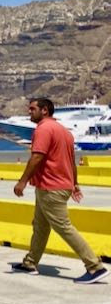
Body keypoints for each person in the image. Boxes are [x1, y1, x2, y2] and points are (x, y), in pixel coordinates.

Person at [11, 98, 108, 284]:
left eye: (32, 109)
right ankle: (30, 263)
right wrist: (75, 183)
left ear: (45, 110)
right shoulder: (65, 132)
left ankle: (95, 267)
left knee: (63, 226)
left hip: (51, 187)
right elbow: (71, 160)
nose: (29, 112)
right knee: (40, 226)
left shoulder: (43, 129)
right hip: (56, 186)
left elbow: (37, 157)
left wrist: (22, 182)